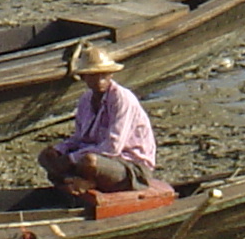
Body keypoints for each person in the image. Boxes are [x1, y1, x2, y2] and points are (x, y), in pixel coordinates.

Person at [37, 43, 157, 193]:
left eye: (104, 75)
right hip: (99, 156)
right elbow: (80, 138)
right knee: (46, 156)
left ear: (111, 75)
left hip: (131, 166)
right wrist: (59, 150)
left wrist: (72, 158)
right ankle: (75, 181)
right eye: (93, 75)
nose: (100, 80)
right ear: (83, 77)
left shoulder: (122, 98)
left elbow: (113, 147)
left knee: (89, 161)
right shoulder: (85, 100)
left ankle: (85, 182)